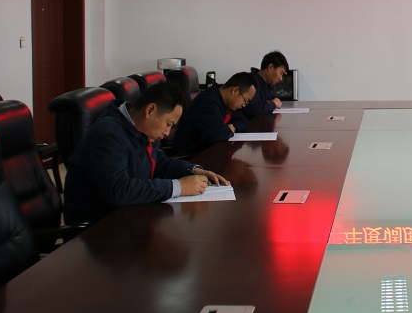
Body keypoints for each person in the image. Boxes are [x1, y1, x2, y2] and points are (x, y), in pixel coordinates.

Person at [63, 82, 229, 224]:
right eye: (168, 124)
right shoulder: (108, 135)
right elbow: (119, 191)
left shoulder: (140, 130)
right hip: (99, 229)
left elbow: (159, 163)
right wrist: (179, 187)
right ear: (150, 110)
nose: (167, 133)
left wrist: (194, 170)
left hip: (129, 216)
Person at [170, 71, 256, 156]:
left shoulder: (224, 101)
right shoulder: (208, 102)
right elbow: (217, 135)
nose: (244, 105)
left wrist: (233, 126)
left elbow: (243, 120)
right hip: (191, 157)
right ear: (235, 91)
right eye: (245, 100)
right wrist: (228, 130)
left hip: (208, 153)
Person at [231, 50, 290, 130]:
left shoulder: (270, 84)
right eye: (280, 73)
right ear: (270, 67)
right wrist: (272, 104)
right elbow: (252, 110)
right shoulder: (250, 82)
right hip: (245, 128)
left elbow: (276, 101)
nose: (280, 78)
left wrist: (272, 103)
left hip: (263, 126)